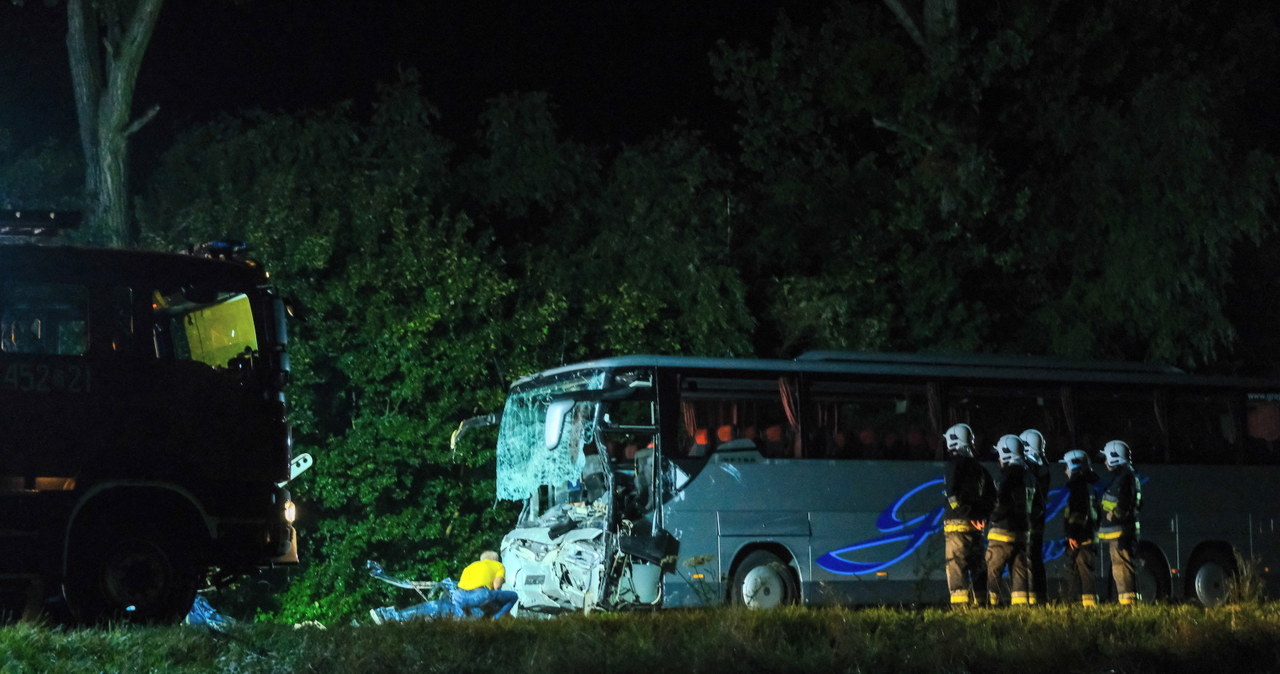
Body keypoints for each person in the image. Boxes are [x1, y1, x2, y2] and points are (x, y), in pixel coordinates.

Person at [369, 551, 519, 623]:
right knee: (511, 598)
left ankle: (391, 616)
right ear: (495, 560)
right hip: (480, 597)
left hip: (461, 596)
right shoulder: (498, 565)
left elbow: (461, 588)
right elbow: (496, 585)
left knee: (436, 606)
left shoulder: (470, 567)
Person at [941, 423, 995, 607]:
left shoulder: (953, 465)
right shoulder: (982, 470)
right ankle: (982, 604)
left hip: (956, 526)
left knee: (956, 566)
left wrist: (961, 510)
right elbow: (991, 498)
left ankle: (960, 607)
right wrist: (981, 517)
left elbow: (951, 494)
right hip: (976, 527)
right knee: (978, 567)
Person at [986, 434, 1032, 606]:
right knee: (1020, 572)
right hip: (1023, 532)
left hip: (1002, 532)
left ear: (1006, 454)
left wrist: (992, 517)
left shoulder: (1007, 477)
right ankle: (1021, 607)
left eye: (1000, 454)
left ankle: (990, 605)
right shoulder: (1029, 476)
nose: (998, 458)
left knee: (992, 570)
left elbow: (1001, 503)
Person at [1099, 440, 1143, 605]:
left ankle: (1128, 603)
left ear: (1115, 457)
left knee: (1122, 567)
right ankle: (1125, 601)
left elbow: (1124, 504)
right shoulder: (1126, 477)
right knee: (1120, 567)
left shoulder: (1125, 478)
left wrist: (1115, 516)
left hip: (1121, 532)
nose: (1104, 462)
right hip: (1120, 532)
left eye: (1106, 457)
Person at [1060, 449, 1101, 606]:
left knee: (1080, 572)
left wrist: (1072, 535)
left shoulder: (1077, 485)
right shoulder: (1090, 485)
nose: (1065, 471)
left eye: (1066, 466)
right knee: (1086, 572)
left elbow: (1078, 512)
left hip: (1080, 538)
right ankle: (1086, 604)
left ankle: (1082, 604)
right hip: (1088, 535)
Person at [1019, 429, 1050, 604]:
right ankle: (1039, 597)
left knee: (1029, 559)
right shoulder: (1042, 468)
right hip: (1037, 521)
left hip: (1030, 521)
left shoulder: (1029, 471)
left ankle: (1033, 597)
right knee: (1035, 558)